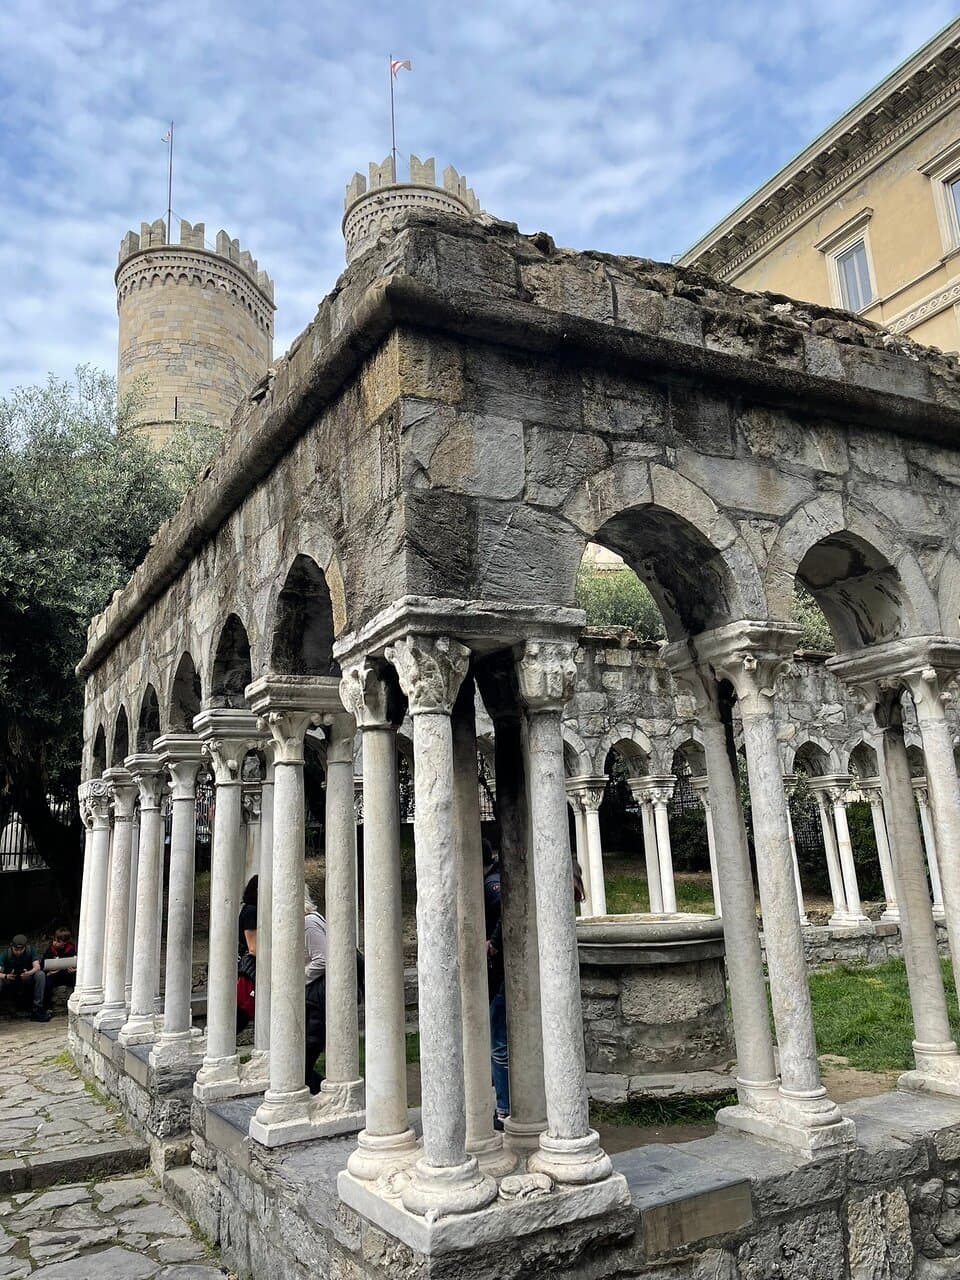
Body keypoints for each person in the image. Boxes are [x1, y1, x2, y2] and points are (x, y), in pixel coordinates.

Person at [304, 889, 327, 1094]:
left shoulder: (308, 923)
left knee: (301, 1064)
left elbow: (323, 959)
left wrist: (299, 979)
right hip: (313, 1000)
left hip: (316, 1001)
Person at [0, 934, 49, 1021]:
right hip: (10, 979)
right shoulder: (5, 954)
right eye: (16, 950)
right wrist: (6, 976)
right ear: (11, 947)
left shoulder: (31, 950)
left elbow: (37, 966)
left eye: (21, 950)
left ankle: (37, 1009)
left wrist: (29, 973)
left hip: (27, 978)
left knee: (40, 975)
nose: (18, 952)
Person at [236, 876, 258, 1033]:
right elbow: (254, 948)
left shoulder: (248, 909)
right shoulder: (252, 911)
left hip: (246, 969)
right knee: (244, 1007)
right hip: (249, 970)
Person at [42, 928, 78, 1010]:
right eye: (54, 940)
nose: (55, 943)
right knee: (47, 983)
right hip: (54, 975)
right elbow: (43, 964)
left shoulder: (71, 950)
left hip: (67, 974)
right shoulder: (50, 950)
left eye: (58, 941)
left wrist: (75, 970)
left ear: (64, 943)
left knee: (75, 978)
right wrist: (49, 972)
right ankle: (47, 1008)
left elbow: (76, 962)